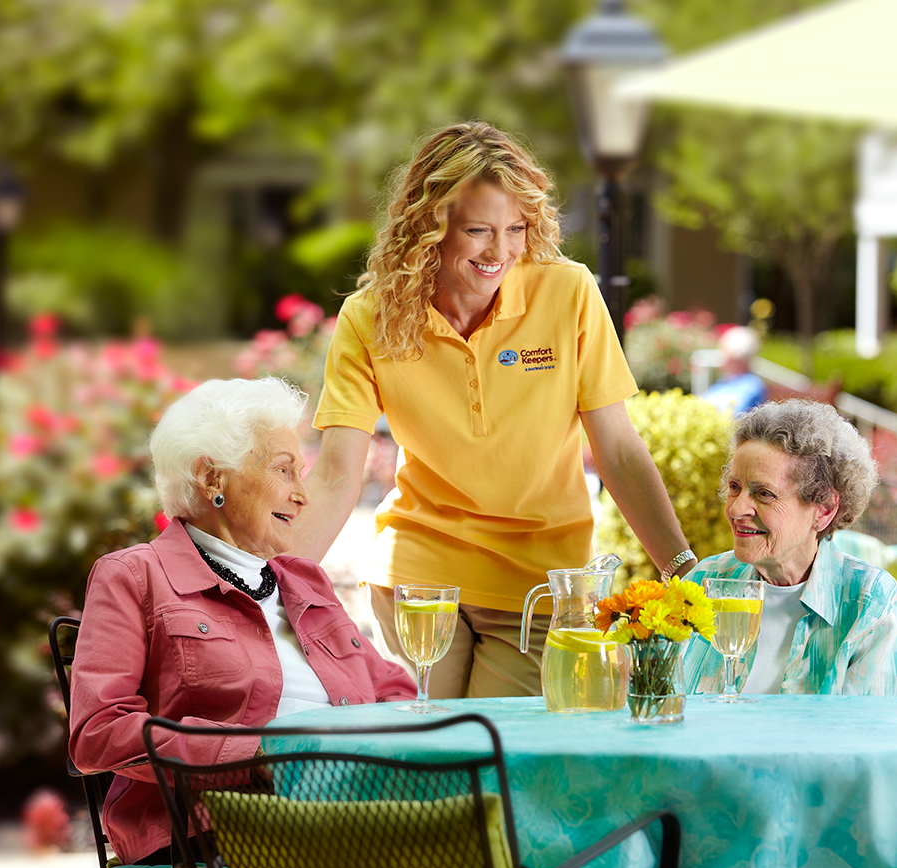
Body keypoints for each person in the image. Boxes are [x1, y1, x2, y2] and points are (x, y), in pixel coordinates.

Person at [292, 121, 696, 699]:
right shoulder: (370, 316)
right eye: (478, 230)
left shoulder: (569, 293)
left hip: (540, 583)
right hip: (419, 573)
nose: (500, 251)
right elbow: (335, 475)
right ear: (429, 229)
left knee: (498, 762)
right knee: (430, 760)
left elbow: (619, 449)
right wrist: (263, 585)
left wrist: (682, 568)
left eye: (515, 229)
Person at [59, 376, 414, 868]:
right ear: (211, 476)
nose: (302, 493)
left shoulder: (303, 578)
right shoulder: (135, 576)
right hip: (216, 823)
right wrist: (263, 750)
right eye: (284, 469)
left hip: (352, 800)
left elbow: (390, 689)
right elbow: (98, 733)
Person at [683, 398, 897, 697]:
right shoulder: (705, 580)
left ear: (824, 509)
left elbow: (865, 734)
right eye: (735, 487)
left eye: (764, 494)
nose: (736, 510)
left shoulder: (870, 602)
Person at [701, 324, 768, 415]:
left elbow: (735, 416)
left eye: (723, 351)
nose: (720, 356)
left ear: (735, 358)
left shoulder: (752, 386)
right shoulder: (725, 379)